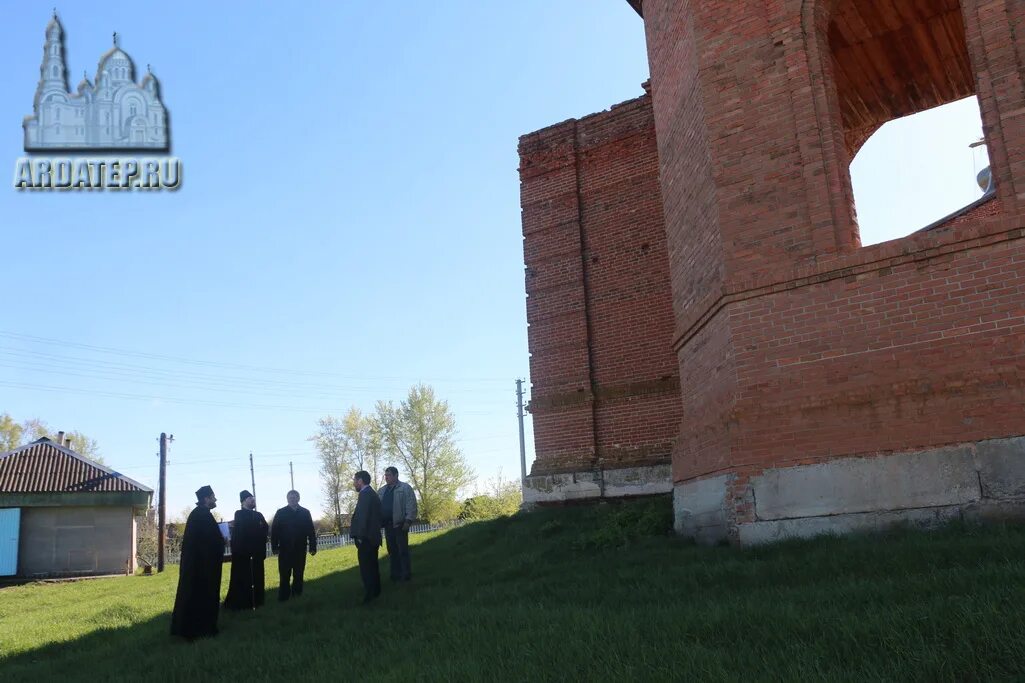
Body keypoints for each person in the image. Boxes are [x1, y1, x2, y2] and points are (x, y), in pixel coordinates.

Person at [170, 485, 226, 640]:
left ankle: (195, 629)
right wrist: (223, 540)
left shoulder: (200, 514)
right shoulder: (202, 515)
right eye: (213, 497)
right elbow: (210, 540)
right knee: (202, 596)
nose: (215, 499)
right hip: (202, 567)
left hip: (199, 565)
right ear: (206, 498)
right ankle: (202, 629)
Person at [223, 490, 269, 610]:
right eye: (250, 498)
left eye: (253, 498)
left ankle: (258, 601)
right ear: (243, 501)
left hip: (257, 552)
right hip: (243, 554)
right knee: (244, 578)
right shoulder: (239, 514)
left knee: (258, 577)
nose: (253, 500)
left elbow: (265, 528)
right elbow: (241, 531)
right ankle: (244, 603)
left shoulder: (259, 515)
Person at [270, 490, 316, 601]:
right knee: (284, 575)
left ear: (298, 498)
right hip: (285, 549)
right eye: (290, 497)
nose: (292, 499)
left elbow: (311, 531)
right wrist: (275, 547)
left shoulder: (305, 512)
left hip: (300, 548)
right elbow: (274, 531)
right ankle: (283, 597)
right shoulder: (281, 512)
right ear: (287, 499)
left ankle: (297, 595)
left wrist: (313, 547)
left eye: (295, 497)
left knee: (299, 573)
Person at [349, 470, 382, 603]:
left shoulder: (365, 494)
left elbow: (363, 517)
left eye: (355, 480)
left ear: (360, 481)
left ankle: (370, 594)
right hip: (373, 536)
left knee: (367, 567)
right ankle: (376, 591)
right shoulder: (371, 494)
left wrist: (360, 536)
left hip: (366, 538)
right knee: (372, 565)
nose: (354, 483)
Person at [381, 466, 417, 582]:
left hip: (400, 524)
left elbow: (411, 505)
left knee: (402, 551)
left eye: (389, 475)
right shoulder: (382, 491)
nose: (386, 478)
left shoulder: (405, 488)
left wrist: (408, 521)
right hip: (387, 525)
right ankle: (395, 575)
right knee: (392, 551)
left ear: (396, 475)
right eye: (385, 475)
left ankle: (406, 574)